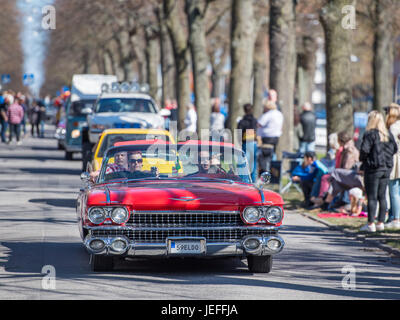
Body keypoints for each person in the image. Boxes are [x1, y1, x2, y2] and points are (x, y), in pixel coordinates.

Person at [359, 110, 397, 232]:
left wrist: (364, 160)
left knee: (372, 196)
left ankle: (370, 223)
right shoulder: (387, 134)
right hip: (386, 168)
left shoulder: (370, 134)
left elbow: (364, 150)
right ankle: (380, 222)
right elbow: (395, 149)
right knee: (382, 196)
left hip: (373, 169)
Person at [257, 100, 283, 173]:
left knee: (263, 158)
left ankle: (265, 173)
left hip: (267, 138)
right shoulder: (279, 114)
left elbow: (259, 124)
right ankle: (272, 173)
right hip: (275, 138)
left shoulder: (268, 114)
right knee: (272, 155)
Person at [385, 103, 400, 229]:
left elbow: (392, 147)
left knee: (393, 190)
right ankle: (393, 216)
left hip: (395, 160)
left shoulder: (394, 128)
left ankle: (396, 218)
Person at [237, 103, 258, 182]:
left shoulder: (242, 121)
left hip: (246, 143)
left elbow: (239, 133)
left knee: (245, 163)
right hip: (254, 143)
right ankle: (253, 180)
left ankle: (245, 180)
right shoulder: (255, 120)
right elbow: (255, 131)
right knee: (253, 163)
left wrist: (240, 142)